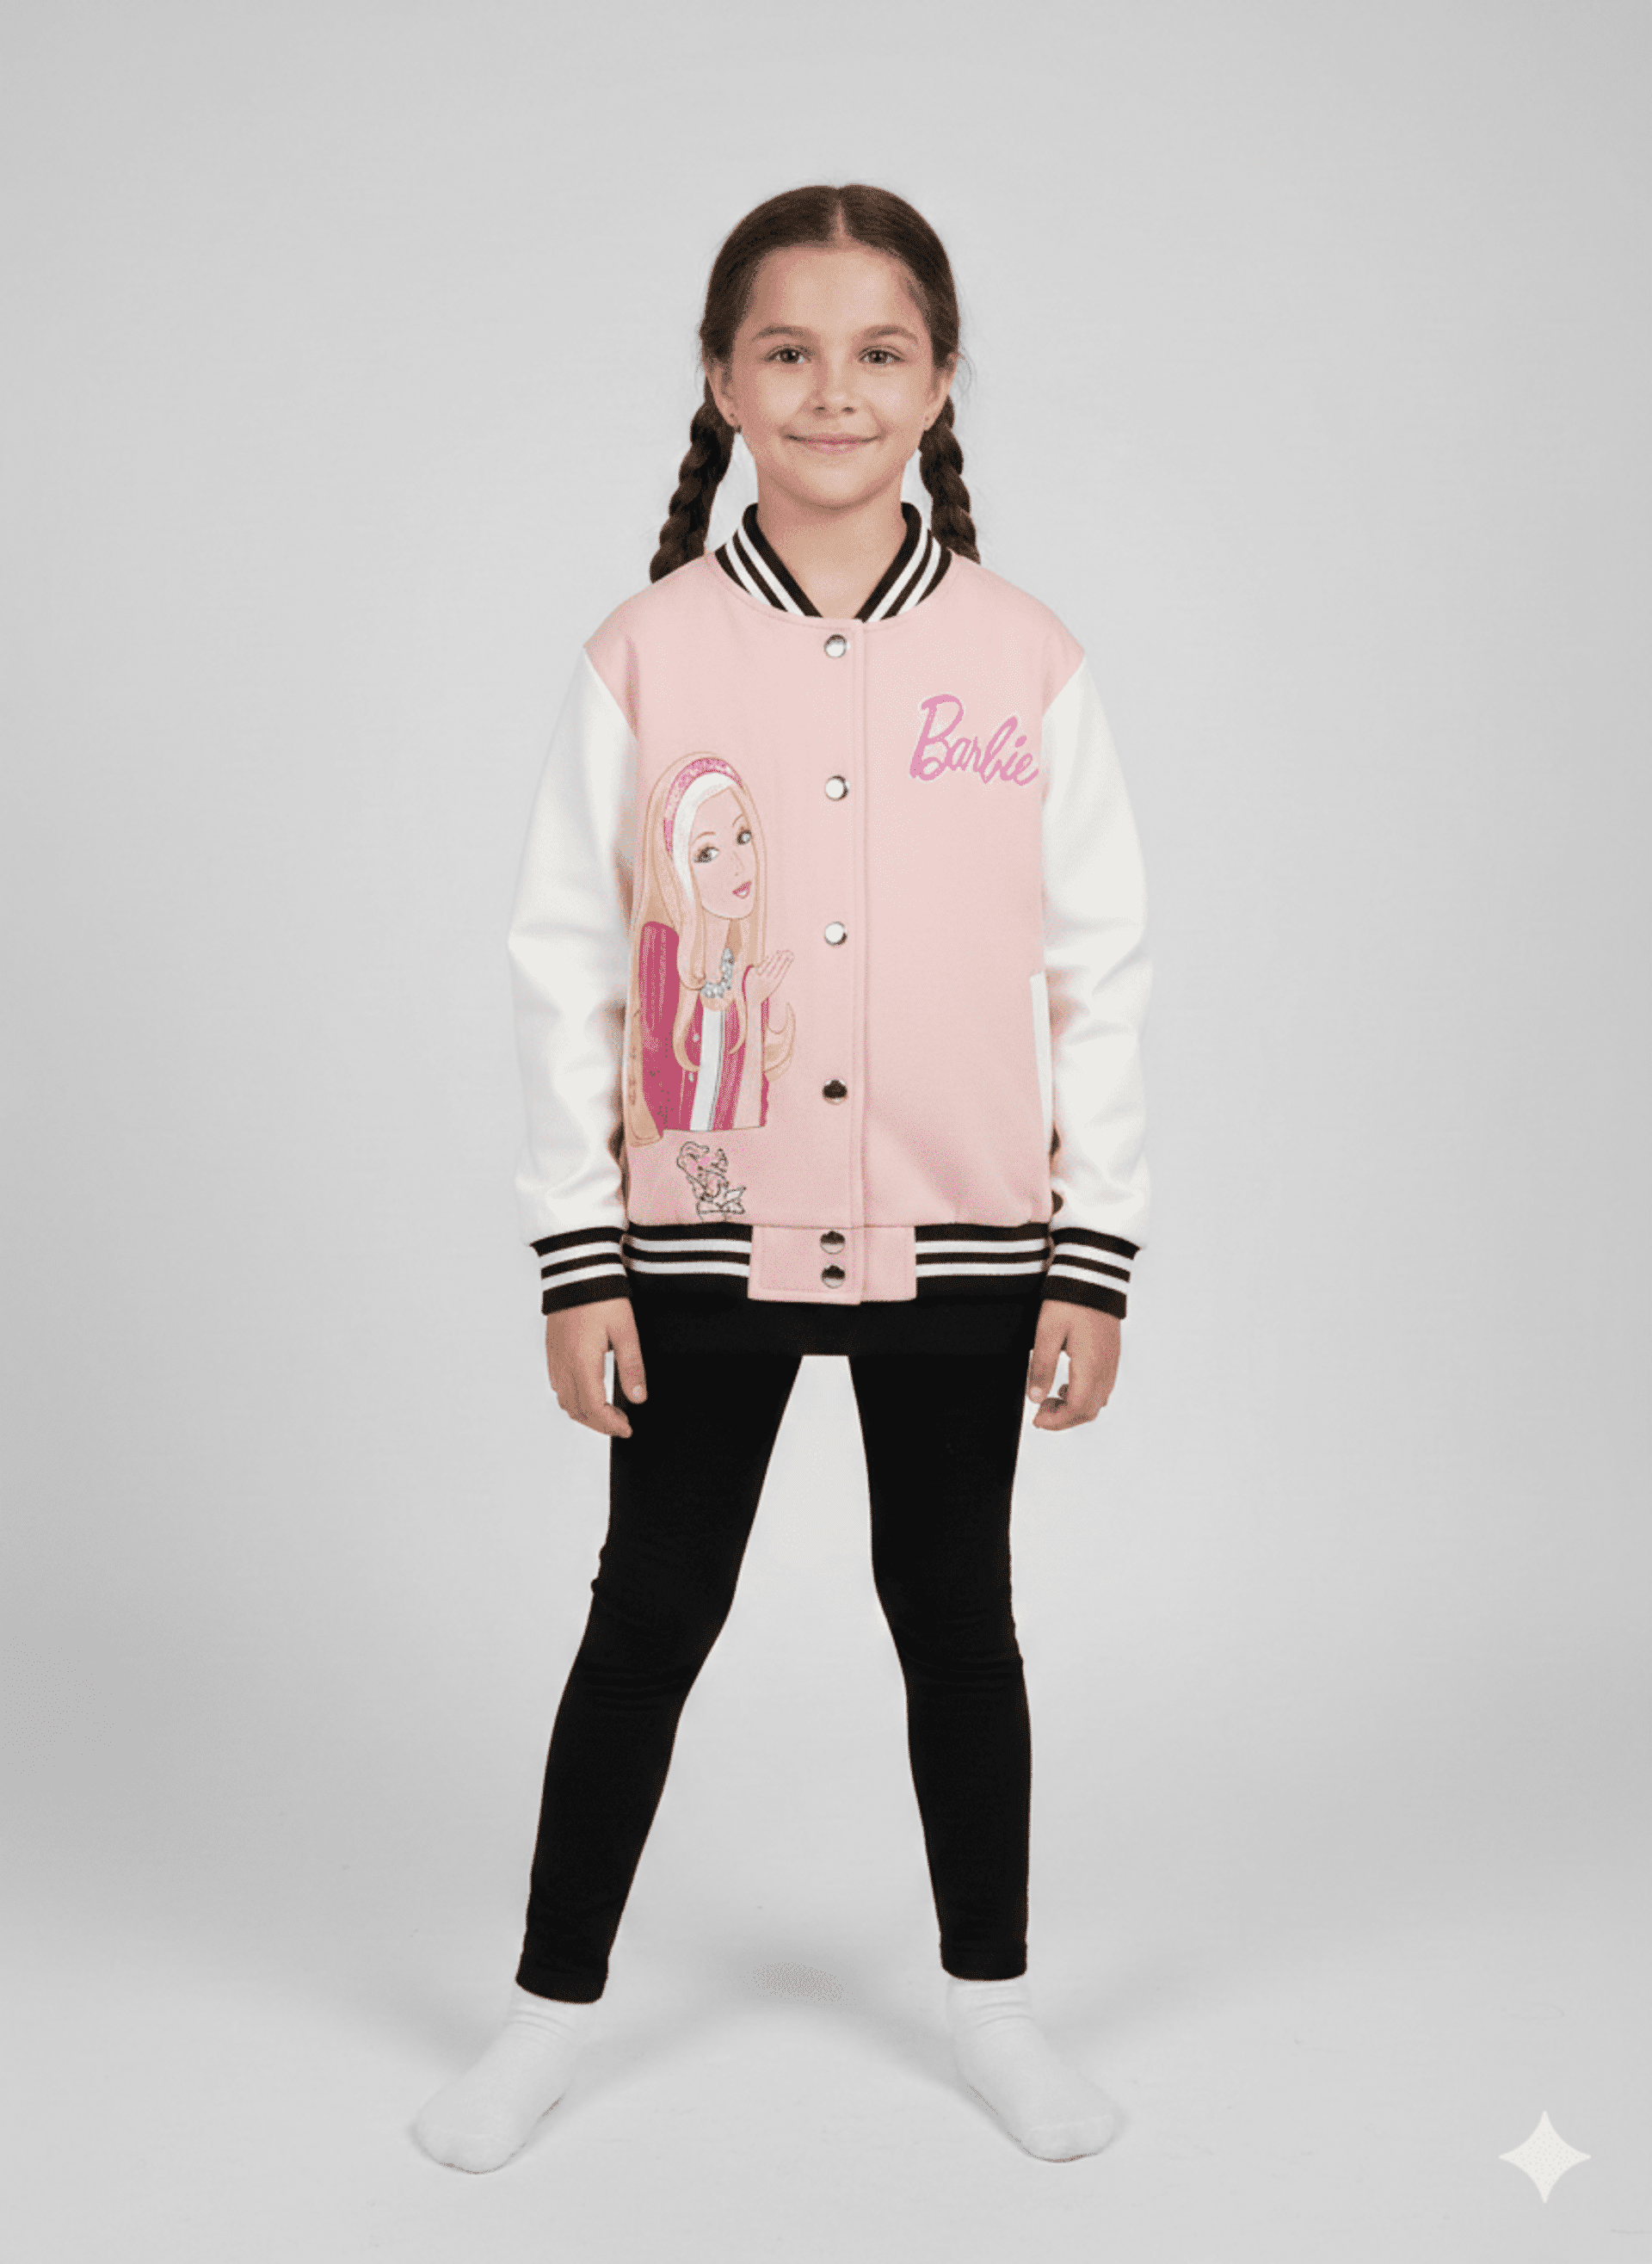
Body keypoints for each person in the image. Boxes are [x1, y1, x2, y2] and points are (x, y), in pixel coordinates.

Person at [413, 182, 1150, 2175]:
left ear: (942, 378)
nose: (836, 390)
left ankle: (993, 2005)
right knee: (650, 1611)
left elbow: (1103, 969)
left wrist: (1093, 1250)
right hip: (699, 1230)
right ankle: (545, 2014)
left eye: (880, 350)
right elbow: (564, 956)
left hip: (970, 1232)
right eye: (790, 351)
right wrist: (578, 1255)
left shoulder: (1025, 658)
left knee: (956, 1613)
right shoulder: (647, 652)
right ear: (723, 378)